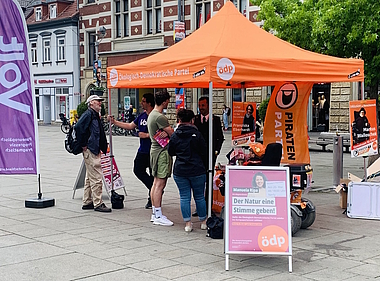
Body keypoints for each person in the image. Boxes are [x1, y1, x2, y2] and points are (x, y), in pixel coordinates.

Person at [108, 93, 155, 209]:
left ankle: (152, 198)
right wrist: (115, 122)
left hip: (154, 150)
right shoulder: (142, 116)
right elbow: (130, 126)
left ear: (149, 103)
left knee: (153, 174)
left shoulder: (156, 116)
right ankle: (153, 187)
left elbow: (163, 133)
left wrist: (148, 135)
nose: (141, 103)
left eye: (143, 101)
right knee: (138, 170)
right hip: (143, 150)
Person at [168, 109, 208, 232]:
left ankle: (188, 224)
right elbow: (204, 151)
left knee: (184, 197)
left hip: (180, 170)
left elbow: (171, 152)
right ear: (192, 120)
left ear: (179, 120)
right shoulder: (197, 134)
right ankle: (203, 222)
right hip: (197, 169)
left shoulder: (175, 135)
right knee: (200, 196)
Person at [75, 94, 111, 212]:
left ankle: (87, 201)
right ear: (91, 103)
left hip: (93, 148)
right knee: (96, 176)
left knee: (90, 177)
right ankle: (98, 203)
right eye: (97, 101)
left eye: (100, 101)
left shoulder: (94, 115)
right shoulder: (89, 114)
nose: (100, 103)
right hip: (91, 148)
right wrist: (83, 144)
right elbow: (78, 127)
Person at [193, 96, 224, 216]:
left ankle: (208, 206)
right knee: (198, 182)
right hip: (197, 156)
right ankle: (199, 206)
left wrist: (216, 151)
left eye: (203, 106)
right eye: (200, 106)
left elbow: (220, 138)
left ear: (208, 106)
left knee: (209, 181)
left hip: (210, 156)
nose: (201, 108)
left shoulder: (215, 120)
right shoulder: (195, 120)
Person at [147, 91, 174, 226]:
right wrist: (170, 131)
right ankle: (158, 215)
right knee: (160, 184)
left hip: (154, 151)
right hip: (161, 152)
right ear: (164, 101)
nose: (169, 103)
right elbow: (172, 134)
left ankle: (155, 212)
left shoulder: (152, 114)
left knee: (155, 183)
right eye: (168, 100)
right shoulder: (160, 117)